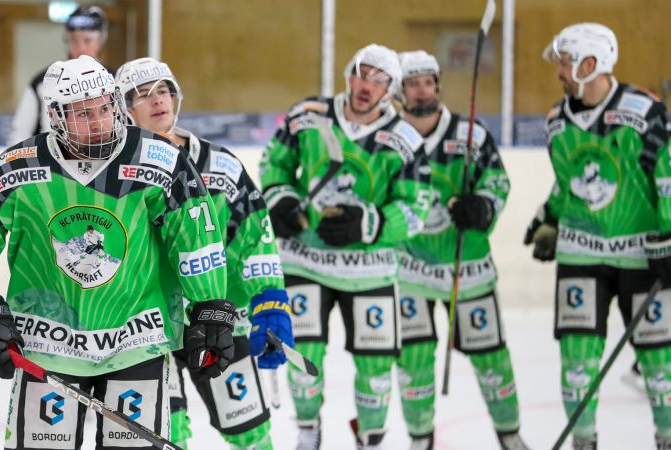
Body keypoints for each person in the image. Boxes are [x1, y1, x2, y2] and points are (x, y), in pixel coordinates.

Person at [0, 55, 237, 449]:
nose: (98, 121)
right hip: (46, 345)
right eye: (82, 113)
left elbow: (196, 239)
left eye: (104, 107)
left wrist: (210, 308)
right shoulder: (16, 167)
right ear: (56, 116)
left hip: (138, 341)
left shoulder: (160, 159)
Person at [115, 57, 294, 450]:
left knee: (251, 433)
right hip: (147, 328)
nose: (157, 100)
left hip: (217, 319)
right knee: (166, 437)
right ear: (123, 110)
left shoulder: (222, 165)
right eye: (142, 95)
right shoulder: (116, 173)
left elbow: (255, 233)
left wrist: (269, 298)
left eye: (163, 90)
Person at [260, 43, 432, 450]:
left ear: (390, 90)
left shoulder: (404, 138)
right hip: (306, 259)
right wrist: (280, 198)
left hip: (368, 270)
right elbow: (274, 164)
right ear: (348, 73)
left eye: (378, 80)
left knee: (374, 371)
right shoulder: (308, 116)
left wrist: (369, 224)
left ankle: (370, 438)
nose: (366, 85)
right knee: (302, 359)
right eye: (361, 73)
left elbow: (417, 207)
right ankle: (307, 430)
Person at [527, 23, 671, 450]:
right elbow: (568, 181)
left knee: (660, 367)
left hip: (644, 258)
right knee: (576, 365)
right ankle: (584, 443)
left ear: (591, 65)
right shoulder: (557, 122)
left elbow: (668, 179)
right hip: (582, 255)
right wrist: (548, 219)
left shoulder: (647, 114)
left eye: (567, 63)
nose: (561, 72)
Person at [395, 50, 530, 450]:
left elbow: (497, 181)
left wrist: (483, 204)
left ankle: (510, 434)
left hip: (467, 270)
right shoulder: (388, 138)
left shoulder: (472, 133)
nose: (422, 90)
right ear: (401, 91)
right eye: (412, 83)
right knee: (413, 364)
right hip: (410, 271)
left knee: (492, 360)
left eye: (428, 81)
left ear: (438, 85)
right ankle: (420, 438)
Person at [7, 6, 113, 146]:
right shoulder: (44, 82)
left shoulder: (115, 80)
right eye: (74, 40)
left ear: (100, 43)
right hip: (52, 165)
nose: (80, 48)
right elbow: (19, 136)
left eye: (87, 41)